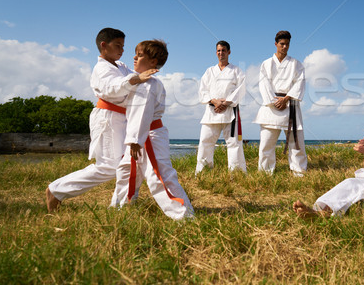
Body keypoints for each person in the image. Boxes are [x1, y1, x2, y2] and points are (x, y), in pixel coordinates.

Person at [46, 28, 156, 213]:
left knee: (130, 162)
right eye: (117, 45)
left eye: (123, 46)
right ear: (103, 46)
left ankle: (122, 205)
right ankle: (56, 190)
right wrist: (136, 79)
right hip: (107, 118)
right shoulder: (101, 69)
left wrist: (150, 65)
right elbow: (113, 88)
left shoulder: (120, 66)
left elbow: (138, 76)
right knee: (109, 166)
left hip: (124, 118)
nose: (121, 50)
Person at [110, 40, 194, 220]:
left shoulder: (149, 84)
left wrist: (135, 141)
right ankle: (120, 208)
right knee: (126, 171)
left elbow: (142, 113)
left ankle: (184, 215)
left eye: (139, 55)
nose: (134, 57)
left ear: (153, 62)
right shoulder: (139, 82)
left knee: (159, 176)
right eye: (135, 53)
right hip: (140, 136)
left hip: (148, 136)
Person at [254, 30, 307, 176]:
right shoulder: (266, 63)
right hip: (271, 106)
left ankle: (299, 171)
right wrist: (274, 101)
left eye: (287, 44)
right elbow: (263, 84)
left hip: (291, 104)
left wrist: (287, 99)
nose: (284, 47)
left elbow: (300, 83)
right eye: (282, 44)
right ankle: (265, 172)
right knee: (266, 143)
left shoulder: (296, 64)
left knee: (296, 142)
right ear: (276, 44)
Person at [195, 40, 247, 174]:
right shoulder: (209, 71)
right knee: (205, 142)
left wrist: (226, 103)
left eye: (223, 50)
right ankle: (203, 171)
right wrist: (214, 101)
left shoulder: (236, 71)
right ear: (216, 52)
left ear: (229, 52)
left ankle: (236, 173)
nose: (221, 53)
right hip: (212, 111)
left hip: (230, 110)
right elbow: (202, 90)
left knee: (234, 143)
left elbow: (241, 89)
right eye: (218, 50)